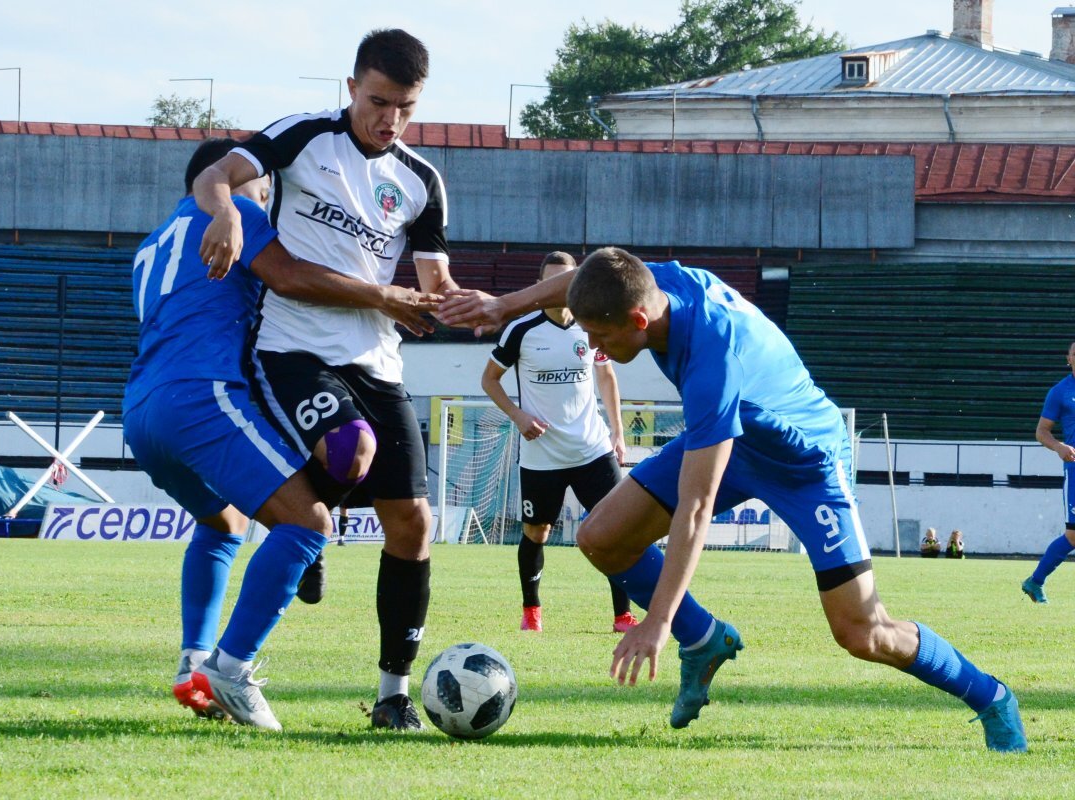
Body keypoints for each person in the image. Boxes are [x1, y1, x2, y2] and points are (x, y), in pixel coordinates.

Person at [439, 247, 1027, 752]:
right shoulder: (656, 281)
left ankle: (992, 697)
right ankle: (705, 639)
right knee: (601, 538)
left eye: (600, 336)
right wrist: (502, 305)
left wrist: (658, 622)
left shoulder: (711, 360)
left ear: (638, 320)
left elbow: (695, 510)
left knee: (862, 632)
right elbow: (589, 275)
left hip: (806, 463)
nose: (591, 347)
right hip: (732, 437)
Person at [194, 29, 454, 730]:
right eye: (378, 102)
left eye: (405, 107)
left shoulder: (422, 182)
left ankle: (393, 695)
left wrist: (456, 303)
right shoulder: (305, 137)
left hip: (379, 361)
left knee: (413, 522)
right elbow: (214, 173)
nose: (390, 119)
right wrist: (226, 210)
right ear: (352, 87)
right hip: (293, 347)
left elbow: (435, 282)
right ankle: (307, 530)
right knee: (349, 447)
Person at [123, 138, 334, 731]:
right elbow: (289, 281)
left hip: (142, 409)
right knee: (308, 522)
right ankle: (231, 669)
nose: (265, 199)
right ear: (228, 180)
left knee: (223, 523)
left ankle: (193, 661)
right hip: (201, 397)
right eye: (262, 188)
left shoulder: (151, 243)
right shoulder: (235, 212)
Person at [481, 251, 638, 633]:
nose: (558, 288)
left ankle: (623, 616)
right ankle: (531, 612)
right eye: (550, 282)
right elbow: (489, 380)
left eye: (565, 280)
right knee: (537, 533)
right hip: (542, 455)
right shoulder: (521, 330)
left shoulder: (592, 325)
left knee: (616, 531)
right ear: (539, 286)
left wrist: (617, 431)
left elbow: (607, 377)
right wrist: (518, 416)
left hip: (592, 450)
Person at [1022, 341, 1075, 604]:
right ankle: (1035, 581)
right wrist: (1059, 446)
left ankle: (1035, 581)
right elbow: (1041, 431)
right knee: (1074, 535)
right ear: (1069, 358)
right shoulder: (1060, 391)